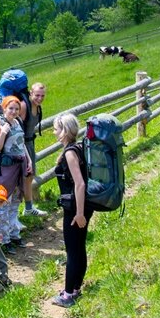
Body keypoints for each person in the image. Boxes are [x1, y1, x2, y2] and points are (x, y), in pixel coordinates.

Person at [51, 112, 93, 307]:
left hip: (76, 208)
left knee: (72, 250)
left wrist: (79, 213)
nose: (54, 132)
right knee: (79, 246)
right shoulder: (77, 148)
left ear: (64, 131)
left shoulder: (70, 153)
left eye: (56, 129)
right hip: (81, 206)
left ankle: (68, 295)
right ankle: (75, 288)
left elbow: (80, 184)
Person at [0, 95, 31, 254]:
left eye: (16, 109)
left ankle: (14, 234)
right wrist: (3, 132)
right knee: (2, 204)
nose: (14, 111)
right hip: (6, 170)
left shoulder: (18, 122)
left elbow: (22, 144)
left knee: (15, 201)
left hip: (19, 166)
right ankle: (3, 240)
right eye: (11, 109)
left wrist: (28, 161)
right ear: (4, 108)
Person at [22, 82, 47, 217]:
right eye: (37, 95)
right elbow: (16, 130)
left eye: (42, 95)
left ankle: (28, 208)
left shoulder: (37, 107)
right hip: (21, 146)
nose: (40, 98)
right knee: (22, 178)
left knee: (29, 177)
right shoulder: (24, 106)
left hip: (30, 144)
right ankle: (24, 210)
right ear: (31, 93)